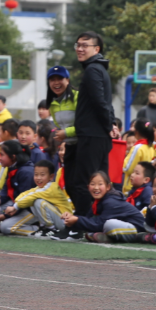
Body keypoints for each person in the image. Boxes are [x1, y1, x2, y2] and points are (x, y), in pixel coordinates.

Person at [59, 32, 115, 218]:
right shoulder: (98, 69)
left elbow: (100, 102)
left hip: (93, 135)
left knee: (84, 182)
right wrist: (112, 123)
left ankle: (82, 223)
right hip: (96, 135)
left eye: (85, 45)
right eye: (78, 45)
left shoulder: (93, 70)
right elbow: (107, 102)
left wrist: (109, 125)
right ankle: (97, 220)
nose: (80, 49)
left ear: (96, 49)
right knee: (96, 181)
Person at [60, 171, 145, 243]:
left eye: (100, 184)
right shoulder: (98, 202)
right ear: (88, 187)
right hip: (121, 228)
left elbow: (99, 223)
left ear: (108, 187)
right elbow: (89, 219)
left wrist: (77, 220)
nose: (96, 188)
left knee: (108, 224)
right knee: (91, 231)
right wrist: (72, 217)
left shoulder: (111, 201)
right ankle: (109, 237)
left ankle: (138, 237)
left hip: (137, 229)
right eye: (92, 184)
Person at [122, 120, 156, 194]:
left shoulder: (137, 148)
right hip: (146, 184)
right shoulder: (150, 147)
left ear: (136, 132)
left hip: (131, 187)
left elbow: (127, 168)